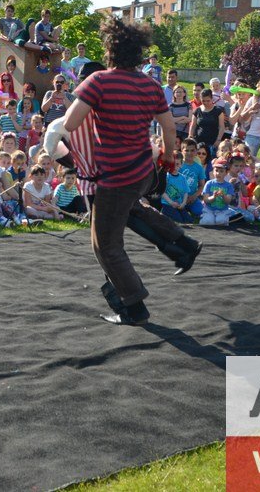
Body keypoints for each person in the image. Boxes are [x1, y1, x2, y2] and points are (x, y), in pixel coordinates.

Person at [61, 18, 199, 325]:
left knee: (105, 245)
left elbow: (69, 123)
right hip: (142, 171)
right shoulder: (150, 85)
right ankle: (183, 245)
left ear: (109, 49)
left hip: (115, 176)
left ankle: (133, 305)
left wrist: (85, 100)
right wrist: (166, 158)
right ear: (139, 51)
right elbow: (167, 128)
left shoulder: (97, 82)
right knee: (131, 209)